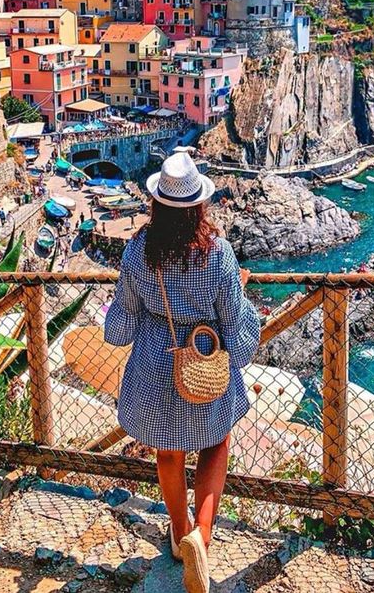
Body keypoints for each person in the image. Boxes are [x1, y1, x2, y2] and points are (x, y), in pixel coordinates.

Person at [104, 150, 259, 593]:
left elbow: (121, 324)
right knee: (217, 442)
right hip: (204, 356)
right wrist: (244, 343)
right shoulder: (217, 254)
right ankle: (201, 537)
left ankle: (178, 532)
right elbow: (234, 318)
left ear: (157, 203)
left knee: (167, 453)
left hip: (156, 364)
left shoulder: (138, 251)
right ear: (198, 205)